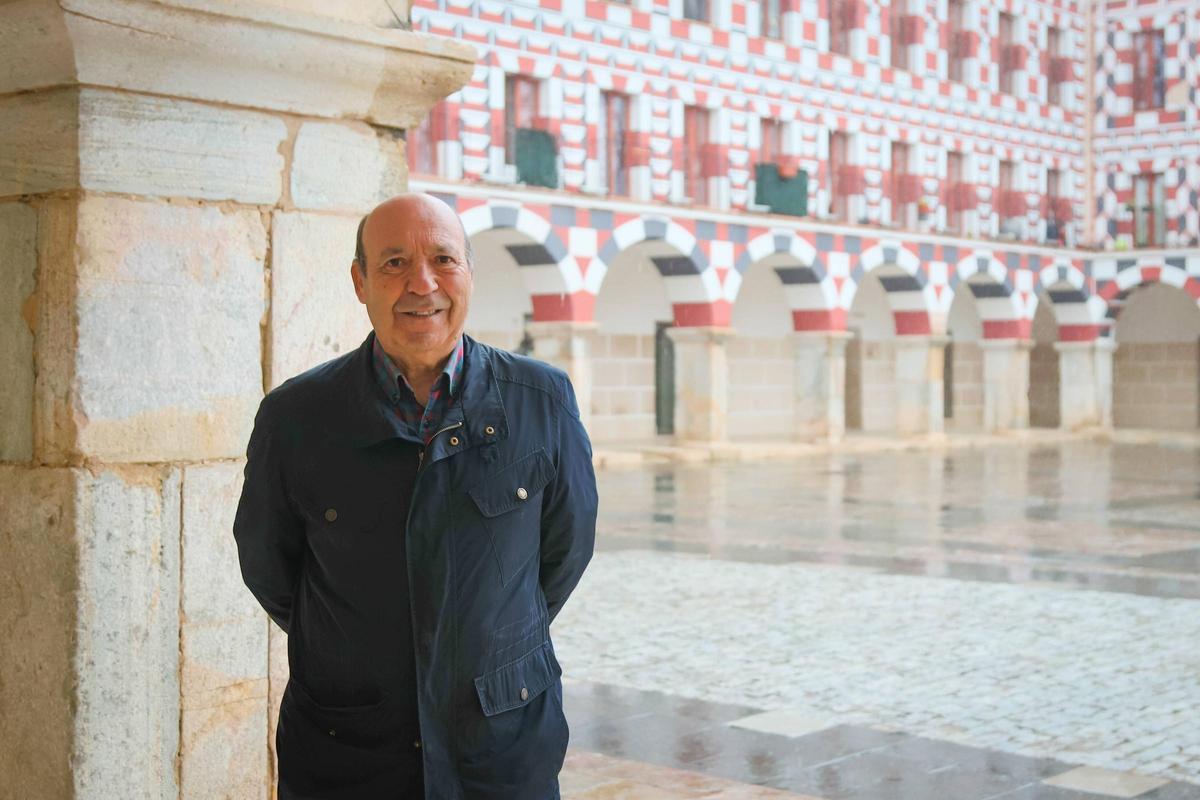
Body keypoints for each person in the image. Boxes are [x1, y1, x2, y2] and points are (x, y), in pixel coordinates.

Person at [233, 193, 598, 799]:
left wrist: (482, 640)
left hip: (502, 744)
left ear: (469, 275)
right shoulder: (295, 417)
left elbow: (565, 552)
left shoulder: (543, 401)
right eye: (394, 262)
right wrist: (358, 652)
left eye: (444, 260)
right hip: (345, 748)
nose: (422, 283)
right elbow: (269, 566)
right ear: (360, 282)